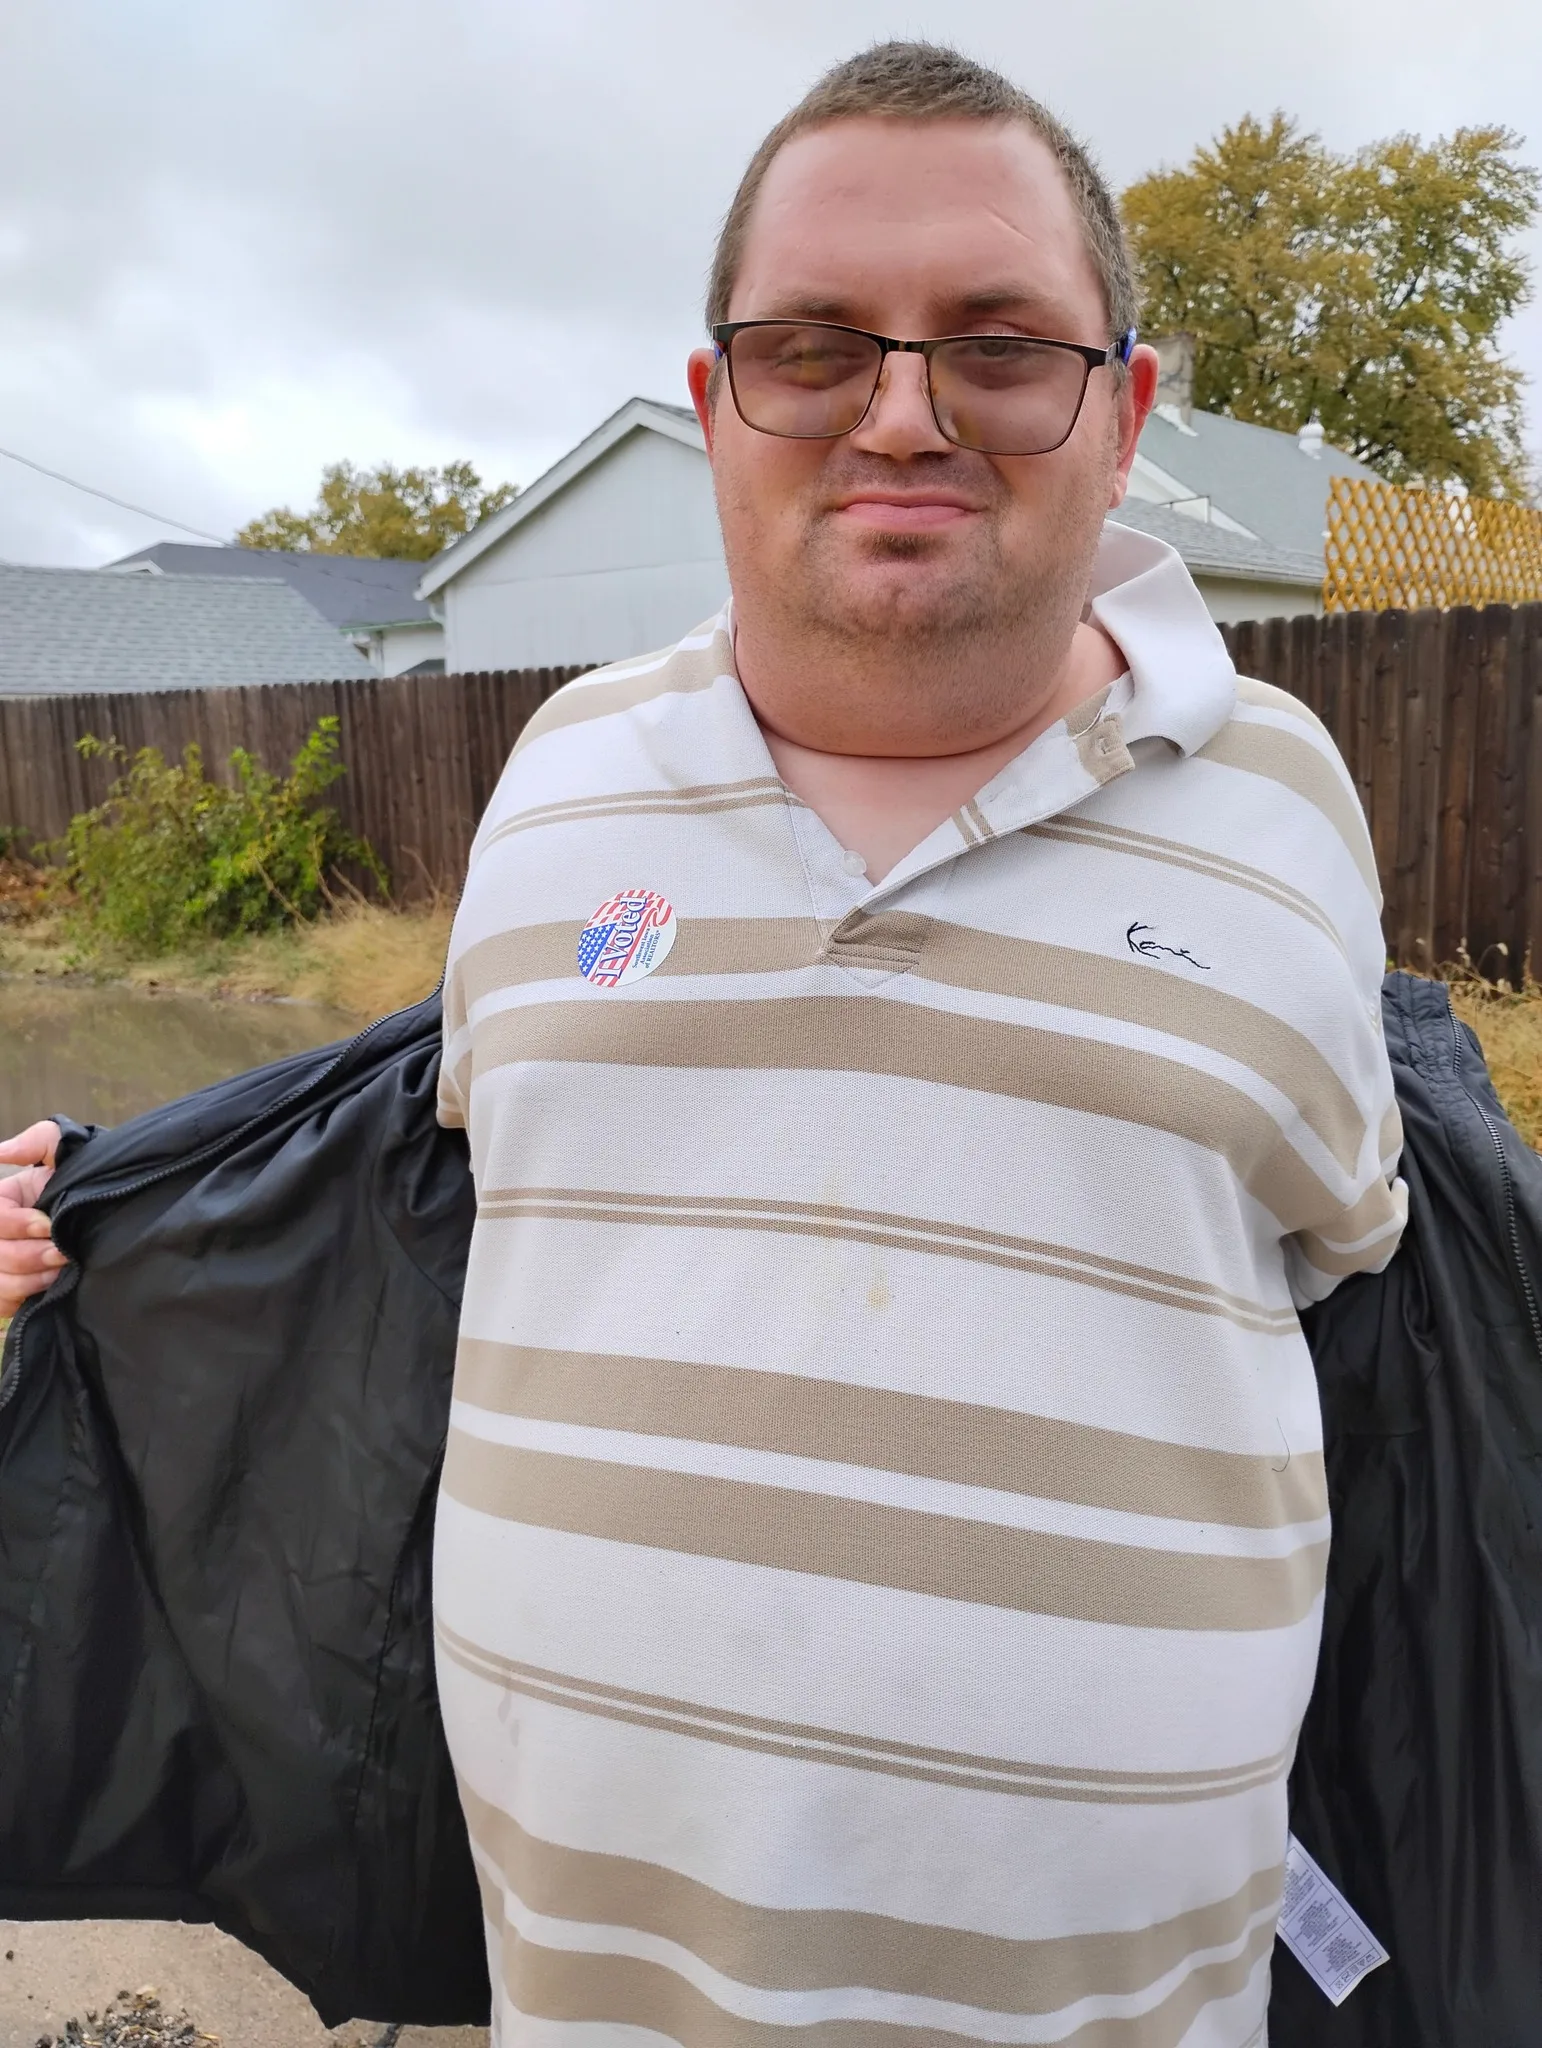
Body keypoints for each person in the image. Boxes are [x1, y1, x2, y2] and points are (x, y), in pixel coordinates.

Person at [1, 41, 1405, 2048]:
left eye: (998, 345)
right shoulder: (561, 783)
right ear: (716, 403)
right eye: (816, 344)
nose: (902, 410)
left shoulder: (1286, 808)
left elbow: (1362, 1270)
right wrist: (102, 1230)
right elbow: (404, 1212)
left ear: (1127, 409)